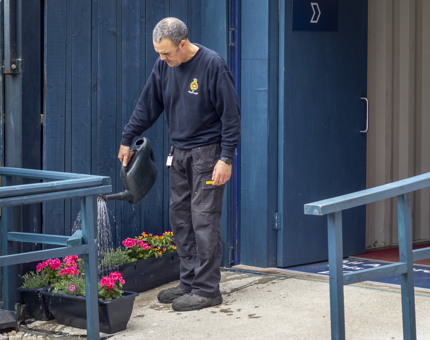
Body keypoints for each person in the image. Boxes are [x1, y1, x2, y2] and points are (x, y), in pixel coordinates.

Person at [118, 17, 240, 312]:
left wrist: (226, 158)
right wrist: (127, 137)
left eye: (166, 52)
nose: (162, 58)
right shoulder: (164, 66)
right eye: (158, 52)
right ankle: (189, 281)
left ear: (183, 44)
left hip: (209, 156)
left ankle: (208, 289)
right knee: (181, 218)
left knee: (204, 219)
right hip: (180, 153)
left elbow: (232, 117)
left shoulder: (212, 65)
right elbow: (148, 105)